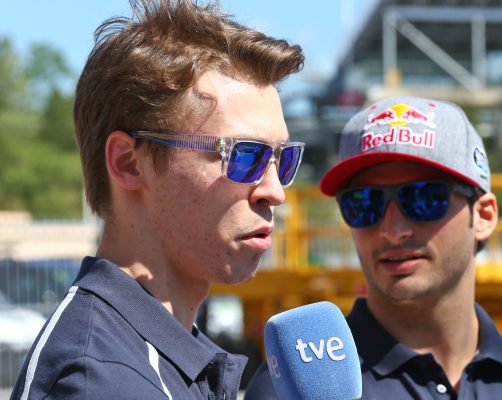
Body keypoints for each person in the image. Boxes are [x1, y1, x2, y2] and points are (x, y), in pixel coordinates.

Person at [11, 1, 304, 399]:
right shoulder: (100, 380)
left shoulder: (152, 355)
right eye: (244, 155)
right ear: (129, 163)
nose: (275, 191)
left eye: (284, 159)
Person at [245, 96, 502, 399]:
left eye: (424, 199)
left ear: (485, 215)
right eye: (363, 203)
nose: (392, 229)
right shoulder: (294, 389)